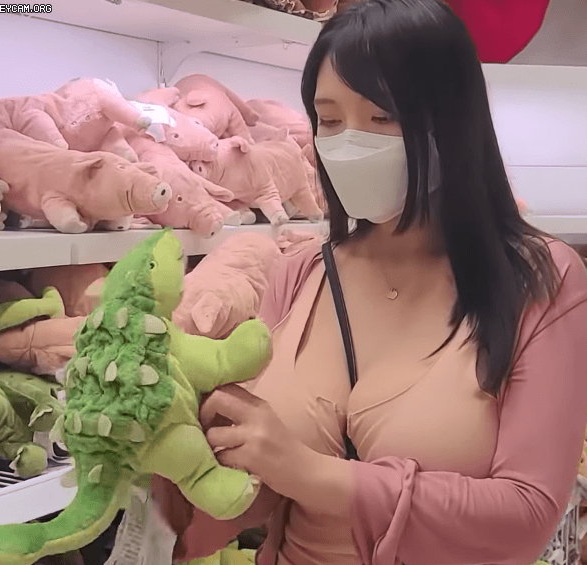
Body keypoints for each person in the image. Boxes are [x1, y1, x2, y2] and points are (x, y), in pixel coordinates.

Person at [152, 1, 587, 564]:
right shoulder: (302, 274)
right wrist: (171, 456)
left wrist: (310, 473)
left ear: (450, 122)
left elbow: (526, 516)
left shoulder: (541, 281)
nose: (350, 145)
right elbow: (246, 499)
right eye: (330, 121)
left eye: (382, 118)